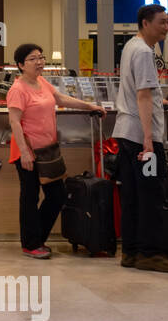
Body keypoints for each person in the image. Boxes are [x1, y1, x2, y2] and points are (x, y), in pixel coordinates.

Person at [6, 43, 104, 259]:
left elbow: (61, 99)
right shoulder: (17, 90)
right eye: (33, 59)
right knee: (30, 197)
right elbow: (14, 122)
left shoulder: (41, 82)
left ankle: (37, 238)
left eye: (41, 57)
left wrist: (90, 106)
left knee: (57, 195)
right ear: (21, 65)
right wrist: (24, 152)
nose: (39, 62)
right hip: (28, 151)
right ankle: (30, 244)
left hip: (48, 150)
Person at [113, 4, 168, 272]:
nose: (166, 27)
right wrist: (148, 140)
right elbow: (142, 95)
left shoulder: (132, 46)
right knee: (151, 196)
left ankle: (130, 252)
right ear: (145, 23)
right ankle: (150, 253)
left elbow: (142, 92)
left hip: (125, 133)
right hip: (142, 138)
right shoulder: (144, 52)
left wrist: (156, 99)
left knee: (131, 195)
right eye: (161, 22)